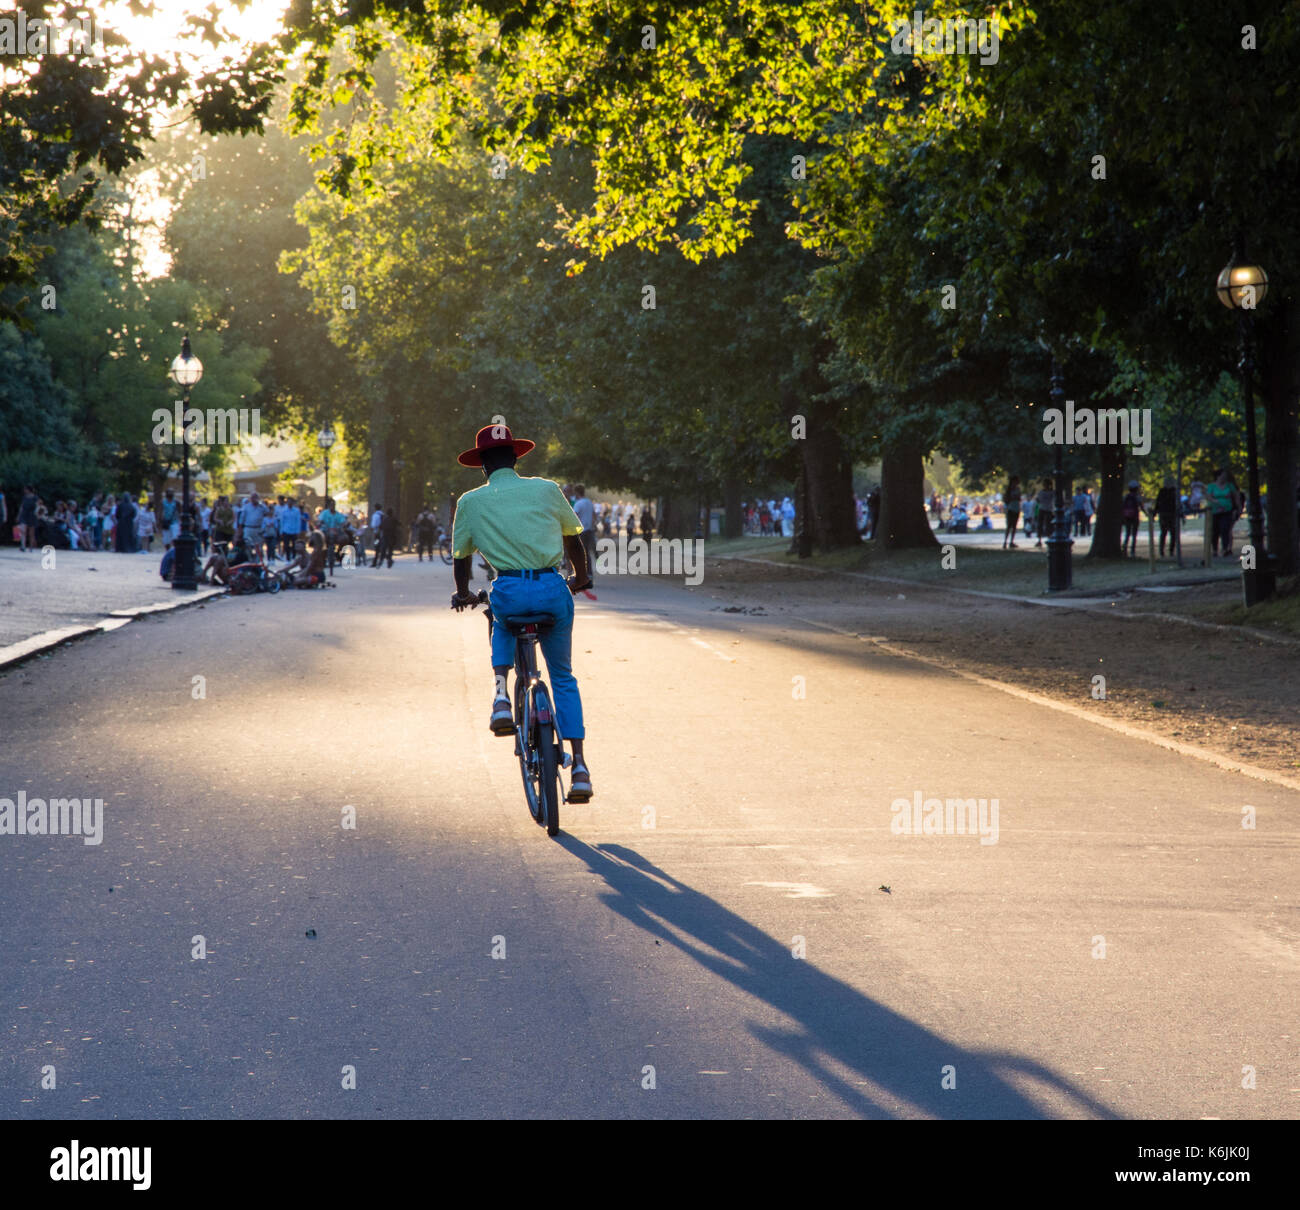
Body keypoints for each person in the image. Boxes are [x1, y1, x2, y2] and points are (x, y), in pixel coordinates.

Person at [450, 423, 593, 803]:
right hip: (551, 589)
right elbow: (572, 539)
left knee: (501, 618)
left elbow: (461, 558)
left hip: (510, 590)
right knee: (562, 676)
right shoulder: (546, 489)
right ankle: (579, 768)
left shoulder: (469, 502)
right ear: (516, 457)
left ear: (482, 465)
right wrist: (582, 576)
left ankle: (500, 693)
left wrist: (463, 592)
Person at [1206, 467, 1241, 557]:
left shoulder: (1229, 486)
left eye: (1225, 476)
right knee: (1215, 531)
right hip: (1214, 511)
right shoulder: (1211, 486)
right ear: (1218, 476)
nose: (1224, 477)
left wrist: (1238, 507)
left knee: (1225, 529)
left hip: (1227, 511)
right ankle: (1214, 549)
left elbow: (1236, 496)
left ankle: (1225, 549)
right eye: (1222, 475)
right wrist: (1215, 501)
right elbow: (1208, 496)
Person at [1155, 476, 1179, 557]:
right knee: (1170, 533)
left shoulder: (1164, 491)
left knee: (1166, 533)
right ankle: (1167, 551)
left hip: (1167, 514)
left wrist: (1155, 512)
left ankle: (1165, 550)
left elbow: (1157, 503)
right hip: (1168, 514)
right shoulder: (1173, 492)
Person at [1121, 480, 1142, 557]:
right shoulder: (1137, 497)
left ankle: (1125, 548)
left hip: (1127, 516)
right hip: (1135, 516)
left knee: (1127, 533)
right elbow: (1141, 506)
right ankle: (1132, 551)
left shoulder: (1126, 496)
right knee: (1134, 534)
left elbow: (1122, 506)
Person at [1034, 479, 1055, 548]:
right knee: (1040, 525)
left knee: (1049, 525)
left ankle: (1049, 538)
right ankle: (1039, 540)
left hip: (1049, 509)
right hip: (1042, 509)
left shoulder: (1052, 492)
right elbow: (1038, 500)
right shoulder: (1042, 492)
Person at [1003, 475, 1021, 548]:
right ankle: (1005, 541)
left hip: (1016, 508)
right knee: (1009, 526)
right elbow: (1006, 499)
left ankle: (1011, 541)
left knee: (1014, 526)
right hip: (1011, 509)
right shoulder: (1009, 490)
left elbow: (1019, 498)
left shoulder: (1018, 489)